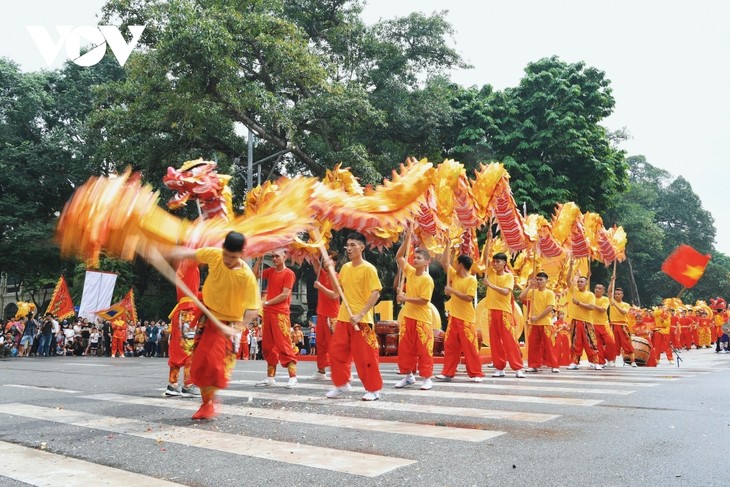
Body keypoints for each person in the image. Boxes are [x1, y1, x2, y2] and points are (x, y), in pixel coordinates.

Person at [164, 231, 260, 419]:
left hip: (230, 323)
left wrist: (237, 327)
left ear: (241, 254)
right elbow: (190, 254)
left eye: (233, 257)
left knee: (216, 367)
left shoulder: (246, 276)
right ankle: (206, 403)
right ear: (222, 249)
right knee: (199, 362)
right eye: (226, 254)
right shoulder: (215, 255)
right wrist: (171, 252)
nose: (228, 260)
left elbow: (252, 309)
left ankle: (211, 400)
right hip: (207, 316)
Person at [325, 232, 383, 401]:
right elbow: (337, 293)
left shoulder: (369, 269)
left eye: (352, 245)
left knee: (366, 357)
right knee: (336, 352)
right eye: (347, 245)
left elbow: (375, 294)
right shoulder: (345, 268)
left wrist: (361, 314)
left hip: (362, 320)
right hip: (344, 317)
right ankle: (342, 384)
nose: (349, 248)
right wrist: (330, 270)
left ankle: (374, 389)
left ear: (362, 248)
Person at [393, 232, 435, 390]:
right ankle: (408, 376)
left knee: (424, 349)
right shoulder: (410, 272)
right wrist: (406, 240)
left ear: (427, 262)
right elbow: (399, 257)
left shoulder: (427, 279)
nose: (415, 260)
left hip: (422, 319)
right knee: (405, 348)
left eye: (419, 258)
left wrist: (405, 299)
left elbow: (424, 300)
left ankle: (427, 378)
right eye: (415, 258)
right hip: (408, 317)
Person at [253, 248, 298, 388]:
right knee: (267, 346)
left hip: (280, 314)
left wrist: (267, 302)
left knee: (284, 345)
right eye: (272, 257)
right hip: (268, 313)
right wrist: (260, 258)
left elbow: (285, 295)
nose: (274, 259)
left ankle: (293, 377)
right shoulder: (271, 272)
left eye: (277, 256)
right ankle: (270, 377)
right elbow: (254, 274)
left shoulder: (289, 273)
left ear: (285, 256)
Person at [435, 249, 483, 382]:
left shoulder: (471, 280)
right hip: (453, 317)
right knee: (450, 346)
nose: (454, 265)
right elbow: (444, 262)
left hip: (466, 319)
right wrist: (447, 246)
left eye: (456, 262)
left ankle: (476, 373)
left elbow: (468, 298)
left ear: (461, 264)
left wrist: (452, 291)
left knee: (470, 347)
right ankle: (448, 373)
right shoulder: (454, 275)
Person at [483, 252, 525, 378]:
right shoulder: (490, 273)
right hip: (492, 311)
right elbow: (484, 259)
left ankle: (517, 368)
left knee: (510, 340)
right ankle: (499, 367)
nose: (495, 264)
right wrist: (489, 240)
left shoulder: (508, 276)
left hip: (505, 312)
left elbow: (505, 292)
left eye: (498, 261)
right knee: (494, 341)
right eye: (494, 262)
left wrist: (489, 285)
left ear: (504, 263)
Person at [519, 271, 559, 373]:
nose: (539, 281)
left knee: (550, 345)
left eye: (541, 280)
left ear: (546, 281)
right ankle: (534, 365)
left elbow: (550, 308)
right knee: (533, 346)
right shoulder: (532, 292)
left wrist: (537, 317)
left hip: (546, 323)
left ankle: (554, 365)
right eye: (537, 279)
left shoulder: (549, 293)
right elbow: (521, 297)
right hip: (533, 324)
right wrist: (529, 286)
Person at [310, 250, 341, 380]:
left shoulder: (338, 277)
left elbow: (335, 295)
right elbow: (314, 260)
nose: (325, 261)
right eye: (325, 259)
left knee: (333, 344)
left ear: (335, 262)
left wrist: (321, 287)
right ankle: (321, 371)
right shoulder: (322, 274)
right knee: (321, 343)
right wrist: (313, 248)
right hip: (321, 314)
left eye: (329, 259)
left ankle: (340, 371)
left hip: (332, 316)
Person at [565, 261, 601, 370]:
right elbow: (567, 280)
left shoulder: (590, 294)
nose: (579, 283)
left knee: (591, 342)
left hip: (587, 322)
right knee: (576, 343)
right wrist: (571, 267)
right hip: (576, 321)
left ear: (586, 283)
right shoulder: (574, 291)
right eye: (578, 281)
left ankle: (596, 363)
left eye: (582, 282)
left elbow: (591, 307)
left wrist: (579, 303)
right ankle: (575, 363)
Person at [608, 283, 637, 367]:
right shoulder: (611, 301)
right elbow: (609, 291)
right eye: (615, 294)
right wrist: (612, 280)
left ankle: (633, 362)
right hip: (613, 325)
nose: (616, 295)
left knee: (627, 344)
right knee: (613, 344)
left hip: (623, 326)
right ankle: (613, 362)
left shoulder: (626, 304)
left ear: (622, 295)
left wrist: (615, 305)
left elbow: (624, 312)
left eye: (618, 294)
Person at [592, 283, 617, 367]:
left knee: (611, 342)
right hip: (593, 324)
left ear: (603, 291)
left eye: (599, 288)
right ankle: (600, 361)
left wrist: (591, 305)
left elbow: (602, 309)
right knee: (597, 344)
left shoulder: (605, 299)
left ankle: (610, 358)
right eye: (596, 288)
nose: (597, 290)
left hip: (604, 324)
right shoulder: (591, 298)